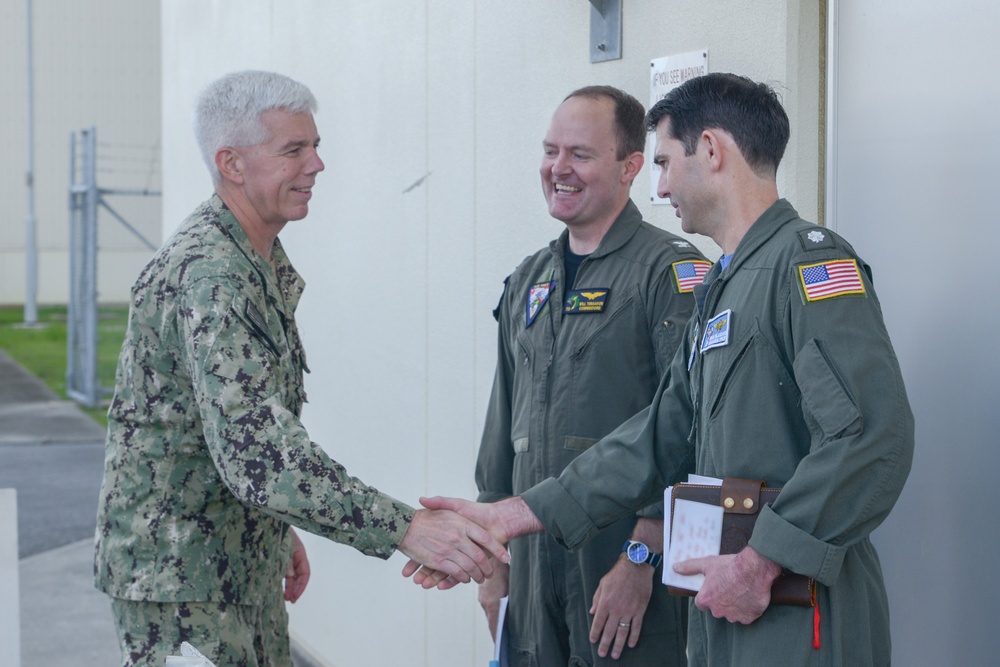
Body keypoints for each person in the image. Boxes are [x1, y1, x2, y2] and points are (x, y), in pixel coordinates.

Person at [415, 73, 914, 666]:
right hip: (730, 607)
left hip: (796, 610)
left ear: (711, 150)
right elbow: (658, 436)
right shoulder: (724, 286)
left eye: (664, 162)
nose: (660, 186)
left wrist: (761, 561)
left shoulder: (808, 265)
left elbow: (870, 437)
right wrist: (515, 513)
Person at [93, 70, 508, 667]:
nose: (316, 165)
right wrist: (406, 529)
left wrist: (273, 527)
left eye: (315, 146)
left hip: (233, 562)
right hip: (182, 580)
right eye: (294, 150)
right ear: (232, 164)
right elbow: (259, 453)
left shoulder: (252, 257)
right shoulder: (212, 274)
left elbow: (221, 428)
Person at [470, 86, 707, 665]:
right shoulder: (529, 280)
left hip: (620, 565)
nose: (558, 169)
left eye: (580, 154)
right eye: (551, 151)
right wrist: (490, 562)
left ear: (630, 167)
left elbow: (693, 431)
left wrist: (642, 558)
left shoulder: (672, 275)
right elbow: (503, 427)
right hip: (529, 565)